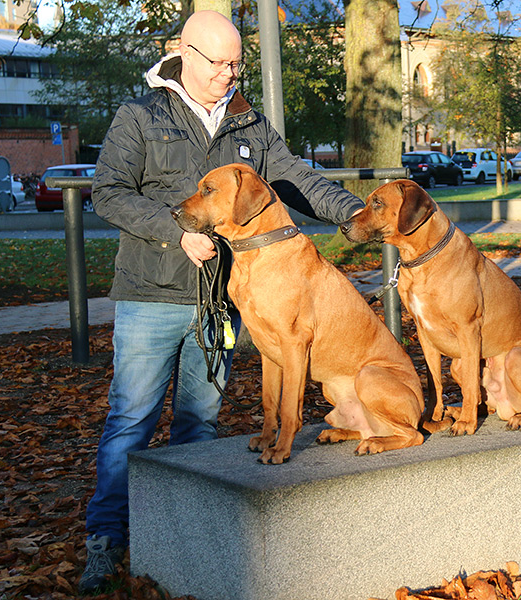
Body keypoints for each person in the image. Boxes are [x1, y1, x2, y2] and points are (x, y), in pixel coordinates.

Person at [78, 9, 364, 594]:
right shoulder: (140, 115)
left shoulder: (249, 124)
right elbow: (107, 193)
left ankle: (184, 538)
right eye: (220, 63)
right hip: (151, 295)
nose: (231, 74)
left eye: (238, 63)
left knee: (199, 422)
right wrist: (173, 230)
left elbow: (298, 179)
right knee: (131, 420)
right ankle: (105, 542)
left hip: (222, 304)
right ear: (183, 52)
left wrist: (355, 212)